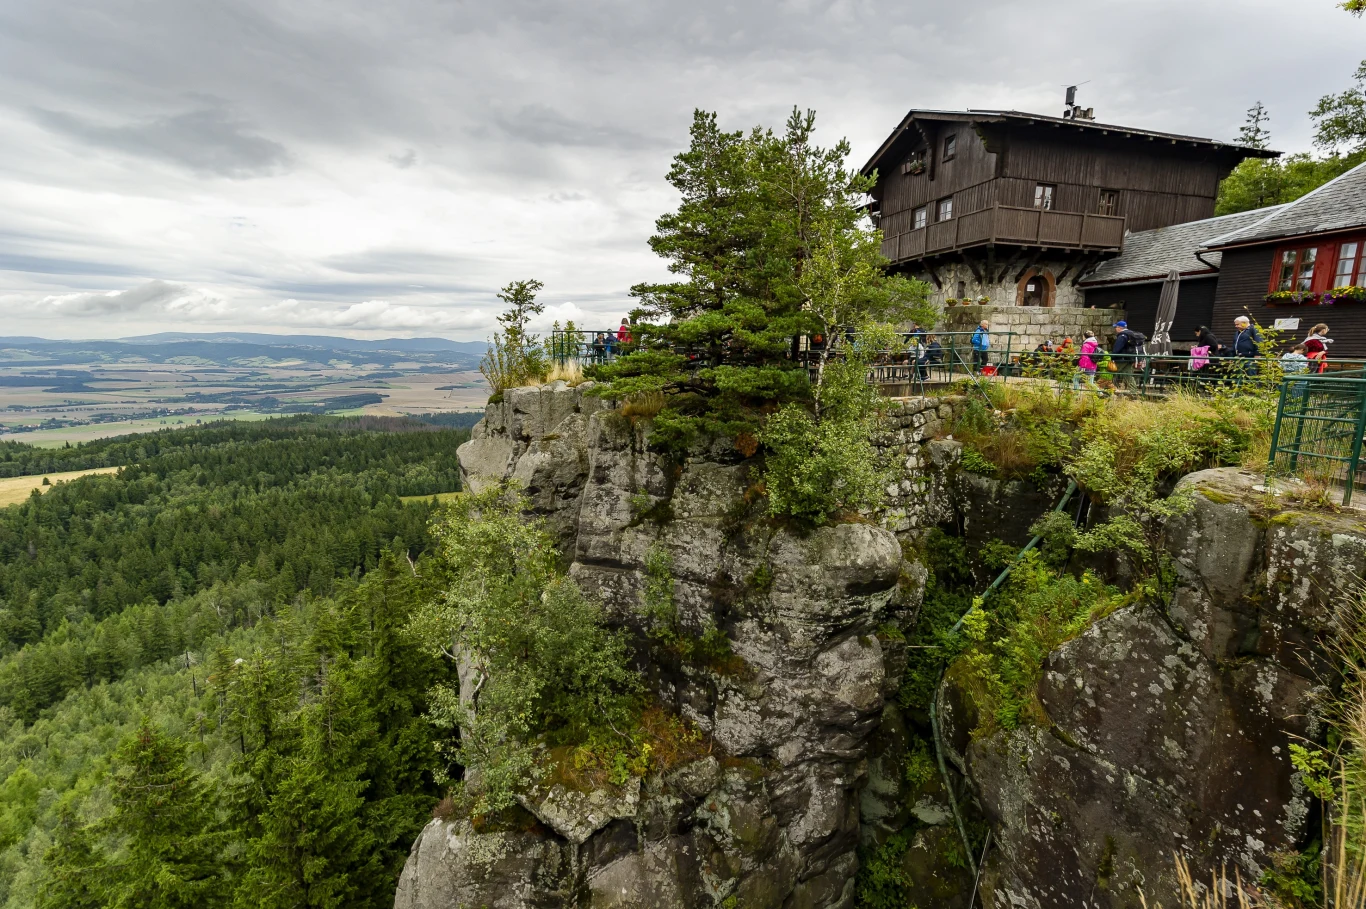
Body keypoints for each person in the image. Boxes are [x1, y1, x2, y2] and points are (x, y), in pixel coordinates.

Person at [1110, 320, 1147, 388]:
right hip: (1129, 358)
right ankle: (1133, 391)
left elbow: (1117, 348)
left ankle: (1110, 390)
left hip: (1121, 359)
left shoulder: (1122, 336)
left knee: (1111, 373)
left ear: (1119, 328)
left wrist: (1112, 357)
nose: (1115, 329)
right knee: (1128, 375)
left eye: (1116, 327)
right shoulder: (1131, 334)